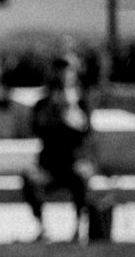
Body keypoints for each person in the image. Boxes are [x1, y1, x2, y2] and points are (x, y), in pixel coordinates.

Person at [23, 53, 97, 241]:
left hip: (74, 162)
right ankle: (42, 228)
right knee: (30, 179)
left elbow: (84, 131)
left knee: (80, 178)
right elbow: (37, 129)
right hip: (50, 164)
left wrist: (69, 112)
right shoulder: (43, 103)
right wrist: (53, 111)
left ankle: (78, 228)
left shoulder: (81, 102)